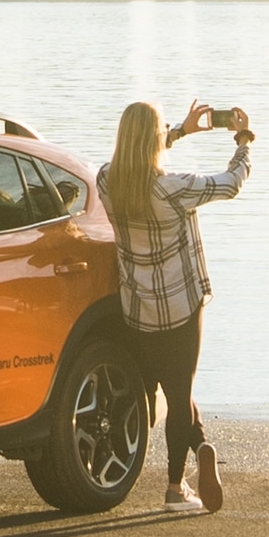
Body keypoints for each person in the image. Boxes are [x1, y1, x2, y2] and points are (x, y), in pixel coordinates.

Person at [99, 98, 253, 513]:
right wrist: (243, 139)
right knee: (180, 391)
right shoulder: (174, 187)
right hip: (181, 308)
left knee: (168, 387)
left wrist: (181, 131)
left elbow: (134, 158)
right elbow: (232, 182)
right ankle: (173, 487)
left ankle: (201, 445)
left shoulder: (106, 181)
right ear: (154, 140)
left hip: (138, 311)